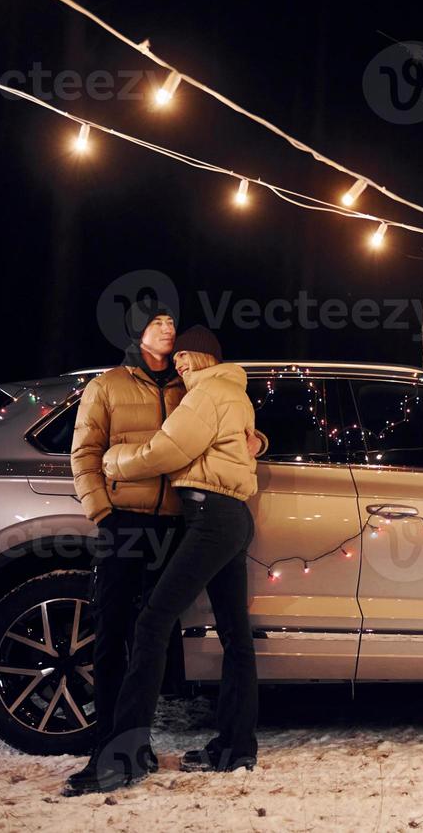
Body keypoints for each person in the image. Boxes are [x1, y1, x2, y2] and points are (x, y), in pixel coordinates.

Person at [65, 326, 268, 795]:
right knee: (235, 634)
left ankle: (124, 755)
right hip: (229, 517)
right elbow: (237, 442)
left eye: (184, 355)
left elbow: (166, 451)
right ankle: (236, 746)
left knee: (151, 624)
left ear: (204, 357)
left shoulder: (205, 394)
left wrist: (114, 461)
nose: (177, 362)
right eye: (173, 356)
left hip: (209, 517)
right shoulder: (231, 391)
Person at [67, 304, 185, 789]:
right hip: (124, 521)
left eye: (172, 323)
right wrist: (102, 512)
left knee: (152, 637)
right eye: (158, 323)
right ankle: (106, 740)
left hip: (172, 524)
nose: (168, 329)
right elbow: (84, 452)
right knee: (111, 630)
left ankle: (137, 741)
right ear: (138, 334)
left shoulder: (187, 387)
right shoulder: (108, 384)